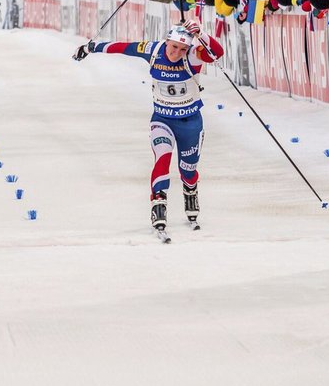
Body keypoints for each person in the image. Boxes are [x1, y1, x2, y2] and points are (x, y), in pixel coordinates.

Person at [73, 20, 225, 236]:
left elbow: (215, 54)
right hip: (162, 120)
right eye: (173, 47)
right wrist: (90, 48)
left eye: (182, 49)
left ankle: (190, 190)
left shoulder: (192, 54)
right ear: (167, 41)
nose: (176, 53)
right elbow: (123, 48)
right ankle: (158, 204)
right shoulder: (153, 50)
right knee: (162, 159)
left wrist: (202, 35)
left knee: (188, 170)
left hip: (190, 122)